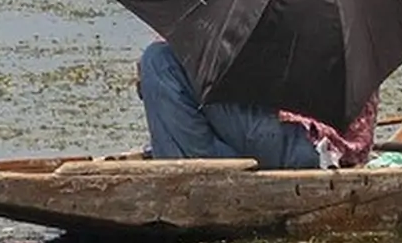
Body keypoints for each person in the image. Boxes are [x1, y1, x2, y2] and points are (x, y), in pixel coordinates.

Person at [137, 40, 379, 169]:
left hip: (299, 141)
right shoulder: (353, 8)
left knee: (160, 60)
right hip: (332, 147)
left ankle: (196, 166)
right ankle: (199, 159)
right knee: (169, 70)